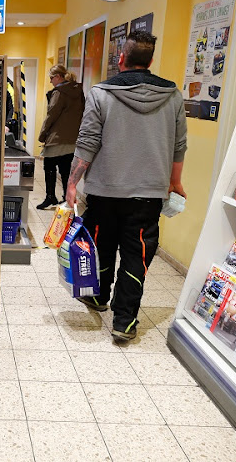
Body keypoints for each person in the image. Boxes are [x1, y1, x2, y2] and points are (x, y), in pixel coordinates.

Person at [65, 30, 188, 341]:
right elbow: (179, 145)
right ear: (149, 61)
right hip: (148, 194)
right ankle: (125, 321)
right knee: (138, 255)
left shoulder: (100, 93)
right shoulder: (173, 96)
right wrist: (175, 183)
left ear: (121, 58)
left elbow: (88, 141)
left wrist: (71, 184)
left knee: (101, 247)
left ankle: (96, 297)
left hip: (104, 191)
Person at [36, 65, 86, 209]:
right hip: (72, 138)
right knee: (65, 169)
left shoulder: (59, 92)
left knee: (49, 166)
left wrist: (42, 134)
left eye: (51, 78)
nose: (51, 81)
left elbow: (52, 115)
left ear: (58, 76)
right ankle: (65, 197)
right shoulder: (78, 91)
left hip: (57, 138)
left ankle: (50, 197)